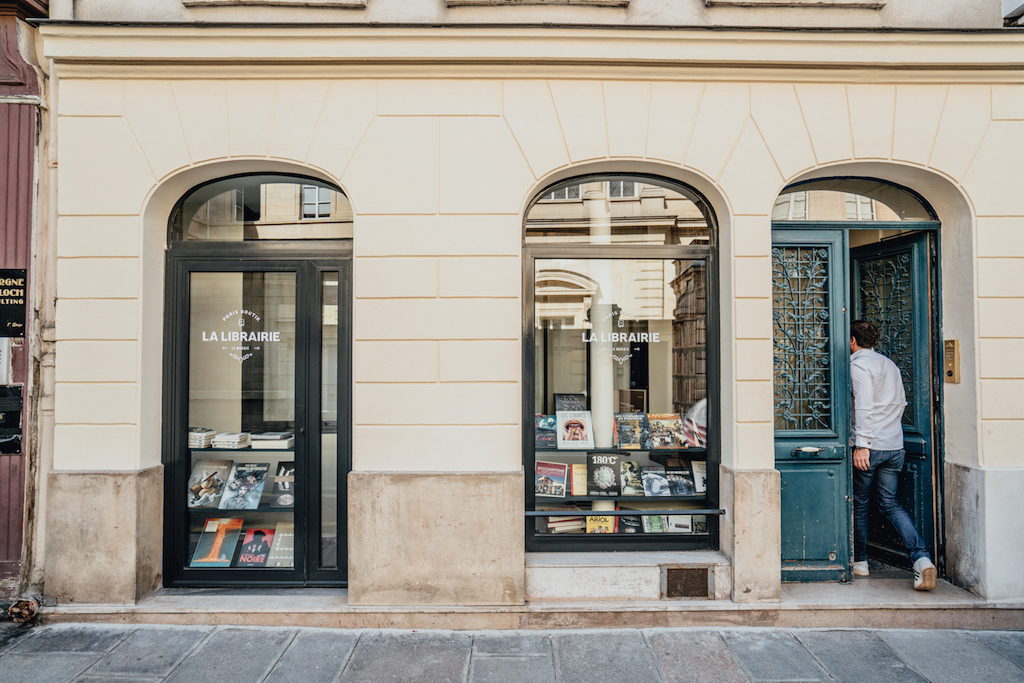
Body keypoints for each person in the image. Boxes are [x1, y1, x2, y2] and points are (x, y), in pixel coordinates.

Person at [850, 320, 936, 591]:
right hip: (894, 445)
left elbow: (863, 406)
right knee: (890, 504)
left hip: (871, 446)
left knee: (861, 503)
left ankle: (860, 562)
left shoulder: (858, 365)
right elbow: (900, 402)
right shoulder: (889, 364)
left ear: (853, 341)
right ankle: (921, 559)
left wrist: (862, 444)